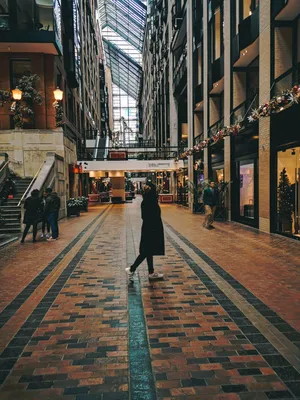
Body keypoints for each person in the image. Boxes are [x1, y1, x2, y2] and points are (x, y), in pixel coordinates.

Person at [126, 181, 164, 282]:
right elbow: (149, 216)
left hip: (148, 228)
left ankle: (151, 272)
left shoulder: (147, 201)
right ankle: (132, 268)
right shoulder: (149, 202)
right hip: (151, 229)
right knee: (146, 251)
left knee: (148, 251)